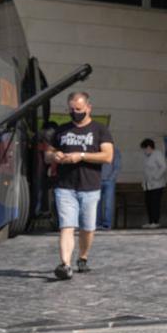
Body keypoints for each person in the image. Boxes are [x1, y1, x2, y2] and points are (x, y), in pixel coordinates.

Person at [45, 91, 114, 279]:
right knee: (66, 226)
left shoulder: (100, 130)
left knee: (87, 228)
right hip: (65, 186)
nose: (75, 112)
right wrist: (55, 156)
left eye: (79, 109)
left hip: (90, 187)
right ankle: (65, 265)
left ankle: (82, 257)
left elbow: (108, 156)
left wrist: (81, 156)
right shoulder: (61, 130)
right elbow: (47, 154)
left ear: (88, 108)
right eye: (72, 109)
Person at [140, 138, 167, 228]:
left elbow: (163, 167)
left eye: (144, 148)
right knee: (148, 203)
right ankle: (151, 221)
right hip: (148, 184)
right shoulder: (146, 156)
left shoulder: (157, 154)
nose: (143, 151)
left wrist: (156, 177)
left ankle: (156, 221)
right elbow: (145, 170)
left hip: (157, 184)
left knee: (155, 203)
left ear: (149, 147)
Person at [97, 143, 122, 230]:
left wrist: (111, 178)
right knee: (97, 204)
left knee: (108, 203)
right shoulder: (96, 149)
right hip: (97, 180)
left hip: (109, 181)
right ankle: (98, 223)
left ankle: (107, 224)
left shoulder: (115, 150)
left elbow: (117, 166)